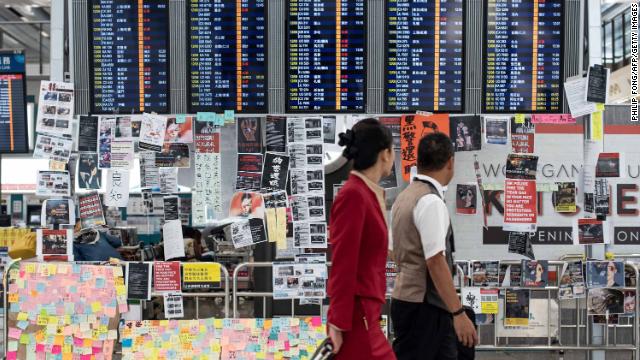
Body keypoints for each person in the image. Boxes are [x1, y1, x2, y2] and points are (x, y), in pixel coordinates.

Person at [390, 132, 478, 360]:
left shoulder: (404, 197)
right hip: (427, 307)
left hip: (405, 299)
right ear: (450, 162)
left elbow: (392, 251)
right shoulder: (430, 201)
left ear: (418, 161)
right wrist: (458, 313)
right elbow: (436, 260)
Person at [327, 118, 396, 359]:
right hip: (357, 318)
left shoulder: (365, 192)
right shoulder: (354, 195)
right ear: (385, 154)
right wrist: (337, 322)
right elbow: (343, 262)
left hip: (367, 314)